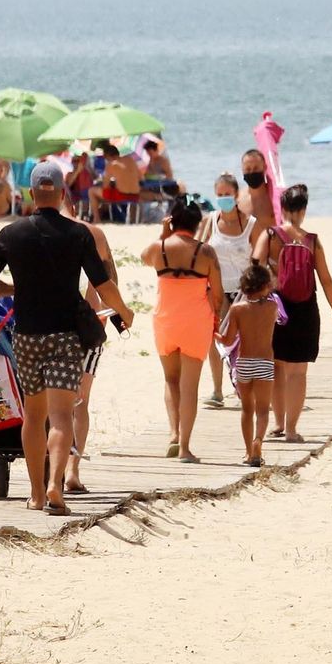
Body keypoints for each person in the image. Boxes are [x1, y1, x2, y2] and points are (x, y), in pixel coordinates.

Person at [0, 161, 134, 515]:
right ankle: (54, 485)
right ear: (63, 193)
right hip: (66, 336)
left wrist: (11, 288)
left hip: (28, 335)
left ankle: (34, 493)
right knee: (62, 415)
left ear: (31, 194)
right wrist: (124, 310)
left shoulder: (11, 234)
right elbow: (103, 283)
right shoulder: (78, 235)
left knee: (34, 415)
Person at [254, 184, 332, 443]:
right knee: (298, 372)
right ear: (303, 210)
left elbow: (255, 266)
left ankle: (278, 423)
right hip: (305, 308)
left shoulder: (270, 235)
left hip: (275, 306)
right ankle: (291, 429)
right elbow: (326, 279)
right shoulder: (312, 241)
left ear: (282, 209)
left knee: (276, 367)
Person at [141, 196, 223, 463]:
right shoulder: (206, 252)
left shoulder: (160, 248)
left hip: (166, 320)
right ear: (198, 223)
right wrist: (216, 318)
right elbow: (219, 295)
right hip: (196, 322)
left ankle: (173, 433)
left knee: (170, 379)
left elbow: (144, 258)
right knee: (190, 387)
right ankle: (185, 448)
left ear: (172, 219)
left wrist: (162, 235)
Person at [60, 177, 119, 495]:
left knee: (53, 404)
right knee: (80, 403)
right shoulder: (95, 234)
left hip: (51, 326)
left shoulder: (40, 231)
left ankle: (55, 470)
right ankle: (72, 470)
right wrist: (116, 321)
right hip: (89, 327)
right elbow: (109, 280)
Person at [196, 173, 256, 409]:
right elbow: (198, 250)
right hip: (218, 290)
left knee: (247, 341)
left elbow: (258, 257)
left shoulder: (250, 224)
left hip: (245, 292)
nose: (223, 199)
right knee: (214, 339)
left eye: (227, 195)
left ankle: (245, 386)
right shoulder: (210, 221)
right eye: (219, 195)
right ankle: (217, 390)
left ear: (236, 194)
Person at [216, 263, 279, 467]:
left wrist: (215, 332)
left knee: (246, 409)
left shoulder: (237, 309)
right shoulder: (272, 307)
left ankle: (247, 452)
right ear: (266, 285)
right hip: (265, 363)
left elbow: (228, 340)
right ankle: (258, 442)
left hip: (244, 363)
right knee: (262, 410)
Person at [89, 144, 140, 223]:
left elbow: (105, 186)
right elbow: (139, 177)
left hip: (122, 195)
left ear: (107, 156)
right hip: (136, 195)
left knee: (92, 191)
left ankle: (97, 219)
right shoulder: (130, 159)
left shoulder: (111, 164)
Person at [239, 149, 275, 240]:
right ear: (242, 170)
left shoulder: (275, 197)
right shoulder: (237, 199)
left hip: (273, 252)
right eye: (248, 169)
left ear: (264, 167)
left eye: (256, 168)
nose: (252, 172)